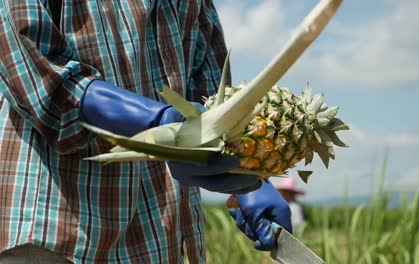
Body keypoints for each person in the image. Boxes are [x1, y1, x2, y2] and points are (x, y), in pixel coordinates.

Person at [0, 1, 291, 263]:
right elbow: (32, 68)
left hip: (160, 240)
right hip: (57, 235)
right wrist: (158, 122)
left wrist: (250, 182)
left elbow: (215, 105)